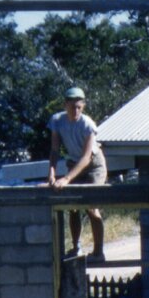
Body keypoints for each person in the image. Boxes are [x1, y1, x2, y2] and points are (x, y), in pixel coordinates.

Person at [48, 86, 107, 263]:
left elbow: (87, 157)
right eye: (72, 106)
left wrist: (65, 179)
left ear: (83, 106)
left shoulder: (87, 125)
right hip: (74, 163)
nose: (75, 110)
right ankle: (76, 247)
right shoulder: (57, 121)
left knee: (91, 207)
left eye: (79, 107)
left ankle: (98, 252)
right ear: (65, 105)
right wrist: (52, 174)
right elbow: (54, 150)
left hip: (94, 165)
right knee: (73, 207)